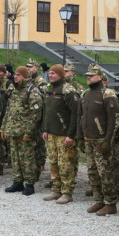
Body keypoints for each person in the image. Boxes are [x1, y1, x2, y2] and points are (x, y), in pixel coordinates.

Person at [77, 64, 119, 215]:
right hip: (89, 139)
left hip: (101, 140)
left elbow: (114, 119)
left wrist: (108, 140)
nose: (88, 78)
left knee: (105, 173)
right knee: (92, 172)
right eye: (87, 75)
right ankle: (98, 200)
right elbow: (80, 116)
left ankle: (110, 203)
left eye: (91, 75)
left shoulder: (108, 94)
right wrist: (80, 137)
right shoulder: (85, 94)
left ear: (100, 77)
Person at [1, 66, 44, 196]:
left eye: (19, 75)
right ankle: (18, 181)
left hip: (25, 132)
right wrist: (3, 128)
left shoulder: (32, 91)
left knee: (28, 159)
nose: (15, 77)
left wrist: (29, 133)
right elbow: (8, 111)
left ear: (25, 76)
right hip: (13, 131)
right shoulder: (14, 91)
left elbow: (35, 114)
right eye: (15, 74)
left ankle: (30, 184)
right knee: (15, 158)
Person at [43, 64, 81, 204]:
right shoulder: (49, 89)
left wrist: (71, 135)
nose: (50, 75)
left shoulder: (68, 90)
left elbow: (76, 115)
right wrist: (45, 129)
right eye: (50, 73)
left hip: (64, 135)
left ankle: (67, 192)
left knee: (65, 164)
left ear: (60, 74)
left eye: (53, 73)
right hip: (52, 133)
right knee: (53, 163)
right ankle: (56, 189)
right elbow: (47, 111)